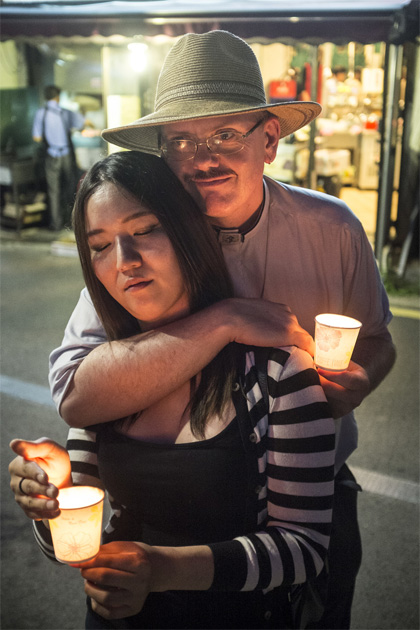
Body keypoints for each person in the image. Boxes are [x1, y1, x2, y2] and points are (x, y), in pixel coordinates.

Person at [47, 31, 396, 629]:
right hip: (180, 500)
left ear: (270, 141)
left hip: (310, 489)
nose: (203, 157)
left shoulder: (331, 229)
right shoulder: (148, 239)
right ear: (162, 153)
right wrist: (228, 319)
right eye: (181, 141)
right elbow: (78, 394)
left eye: (226, 134)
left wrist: (355, 384)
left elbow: (377, 341)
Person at [9, 150, 336, 630]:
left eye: (144, 231)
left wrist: (162, 569)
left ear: (188, 230)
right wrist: (50, 498)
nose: (125, 262)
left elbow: (306, 546)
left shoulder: (276, 373)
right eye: (100, 246)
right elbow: (75, 544)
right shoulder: (109, 380)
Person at [32, 85, 87, 231]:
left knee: (53, 191)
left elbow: (36, 137)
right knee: (70, 188)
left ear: (46, 97)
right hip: (67, 155)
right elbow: (82, 123)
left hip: (51, 155)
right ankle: (72, 222)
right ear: (58, 97)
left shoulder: (41, 113)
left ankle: (56, 224)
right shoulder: (65, 113)